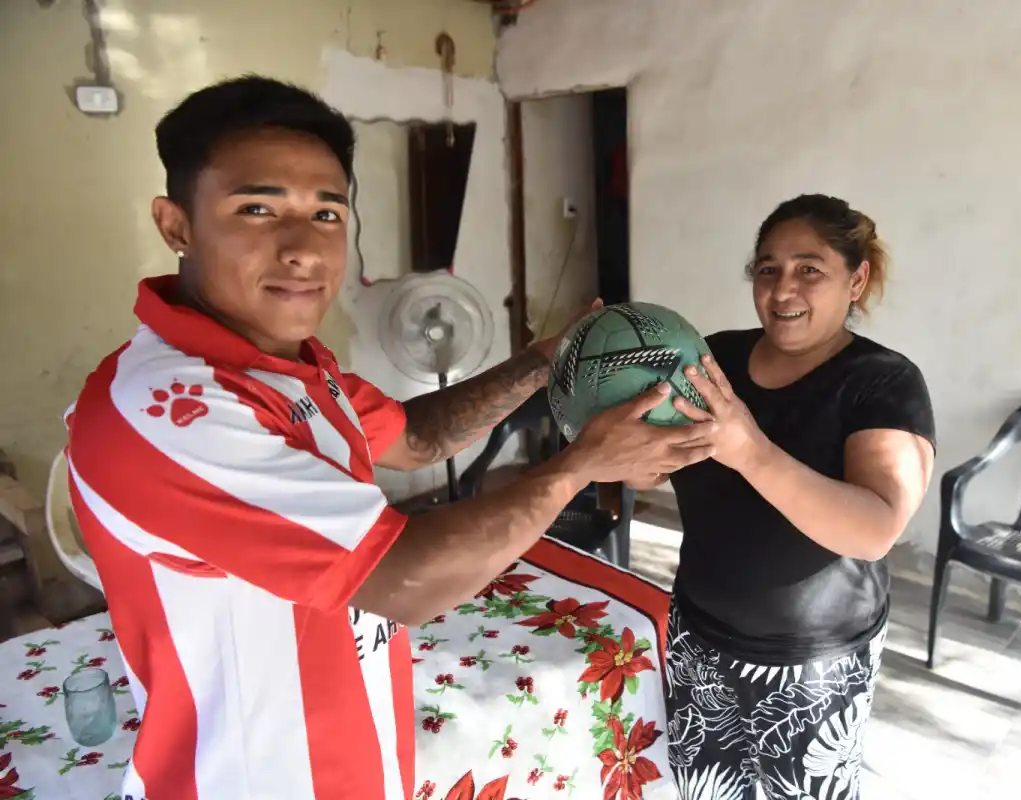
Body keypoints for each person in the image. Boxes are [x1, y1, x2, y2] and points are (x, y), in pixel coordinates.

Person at [64, 76, 716, 800]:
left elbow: (416, 438)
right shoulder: (168, 411)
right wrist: (581, 465)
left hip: (357, 762)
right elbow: (406, 582)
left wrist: (543, 361)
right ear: (176, 225)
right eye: (257, 209)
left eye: (326, 213)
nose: (303, 250)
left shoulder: (290, 369)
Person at [639, 194, 936, 799]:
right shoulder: (713, 358)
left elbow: (875, 529)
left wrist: (751, 451)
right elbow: (647, 471)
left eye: (810, 269)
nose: (783, 289)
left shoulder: (883, 383)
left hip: (814, 665)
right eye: (768, 268)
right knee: (700, 789)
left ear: (857, 280)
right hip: (699, 633)